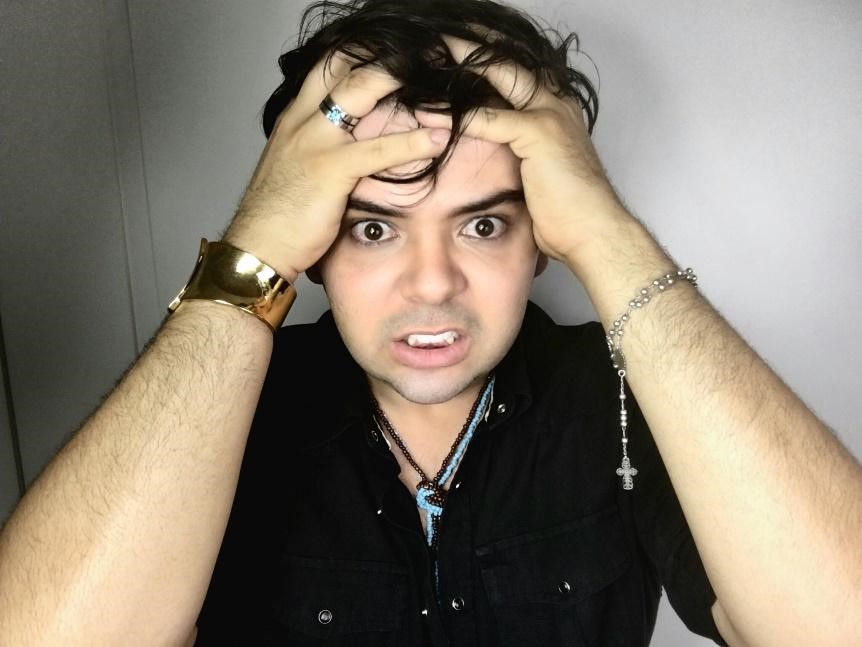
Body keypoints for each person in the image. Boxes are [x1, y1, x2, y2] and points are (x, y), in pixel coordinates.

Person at [0, 0, 860, 644]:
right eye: (374, 229)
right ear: (314, 246)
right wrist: (254, 244)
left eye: (483, 224)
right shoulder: (233, 409)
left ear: (542, 238)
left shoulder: (622, 396)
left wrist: (608, 232)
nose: (433, 283)